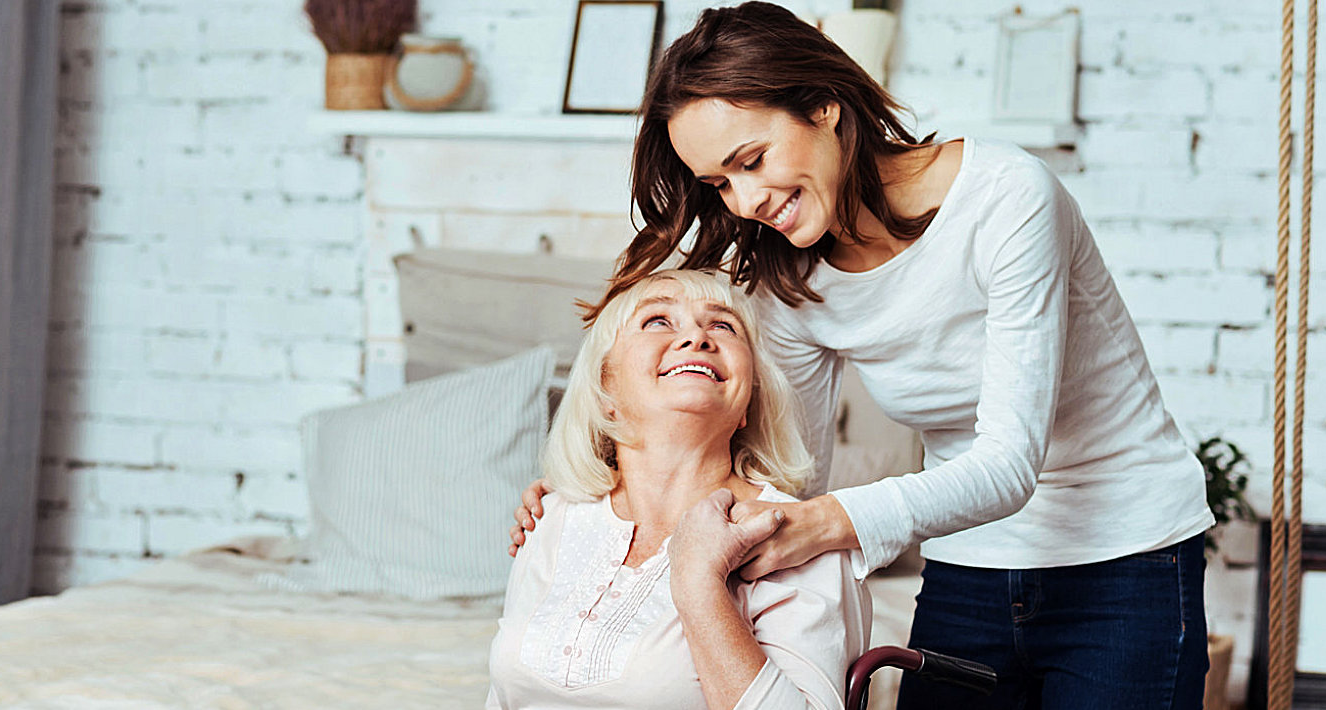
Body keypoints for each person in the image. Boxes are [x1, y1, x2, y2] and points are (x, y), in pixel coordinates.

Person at [511, 3, 1214, 707]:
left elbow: (1008, 466)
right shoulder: (790, 279)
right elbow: (790, 474)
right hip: (968, 559)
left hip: (1126, 555)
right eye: (721, 184)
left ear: (824, 106)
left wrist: (827, 522)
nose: (748, 200)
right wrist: (594, 510)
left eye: (751, 160)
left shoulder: (1007, 199)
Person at [486, 269, 869, 710]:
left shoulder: (799, 537)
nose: (697, 338)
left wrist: (699, 583)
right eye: (658, 321)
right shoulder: (551, 516)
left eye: (723, 325)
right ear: (605, 388)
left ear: (747, 404)